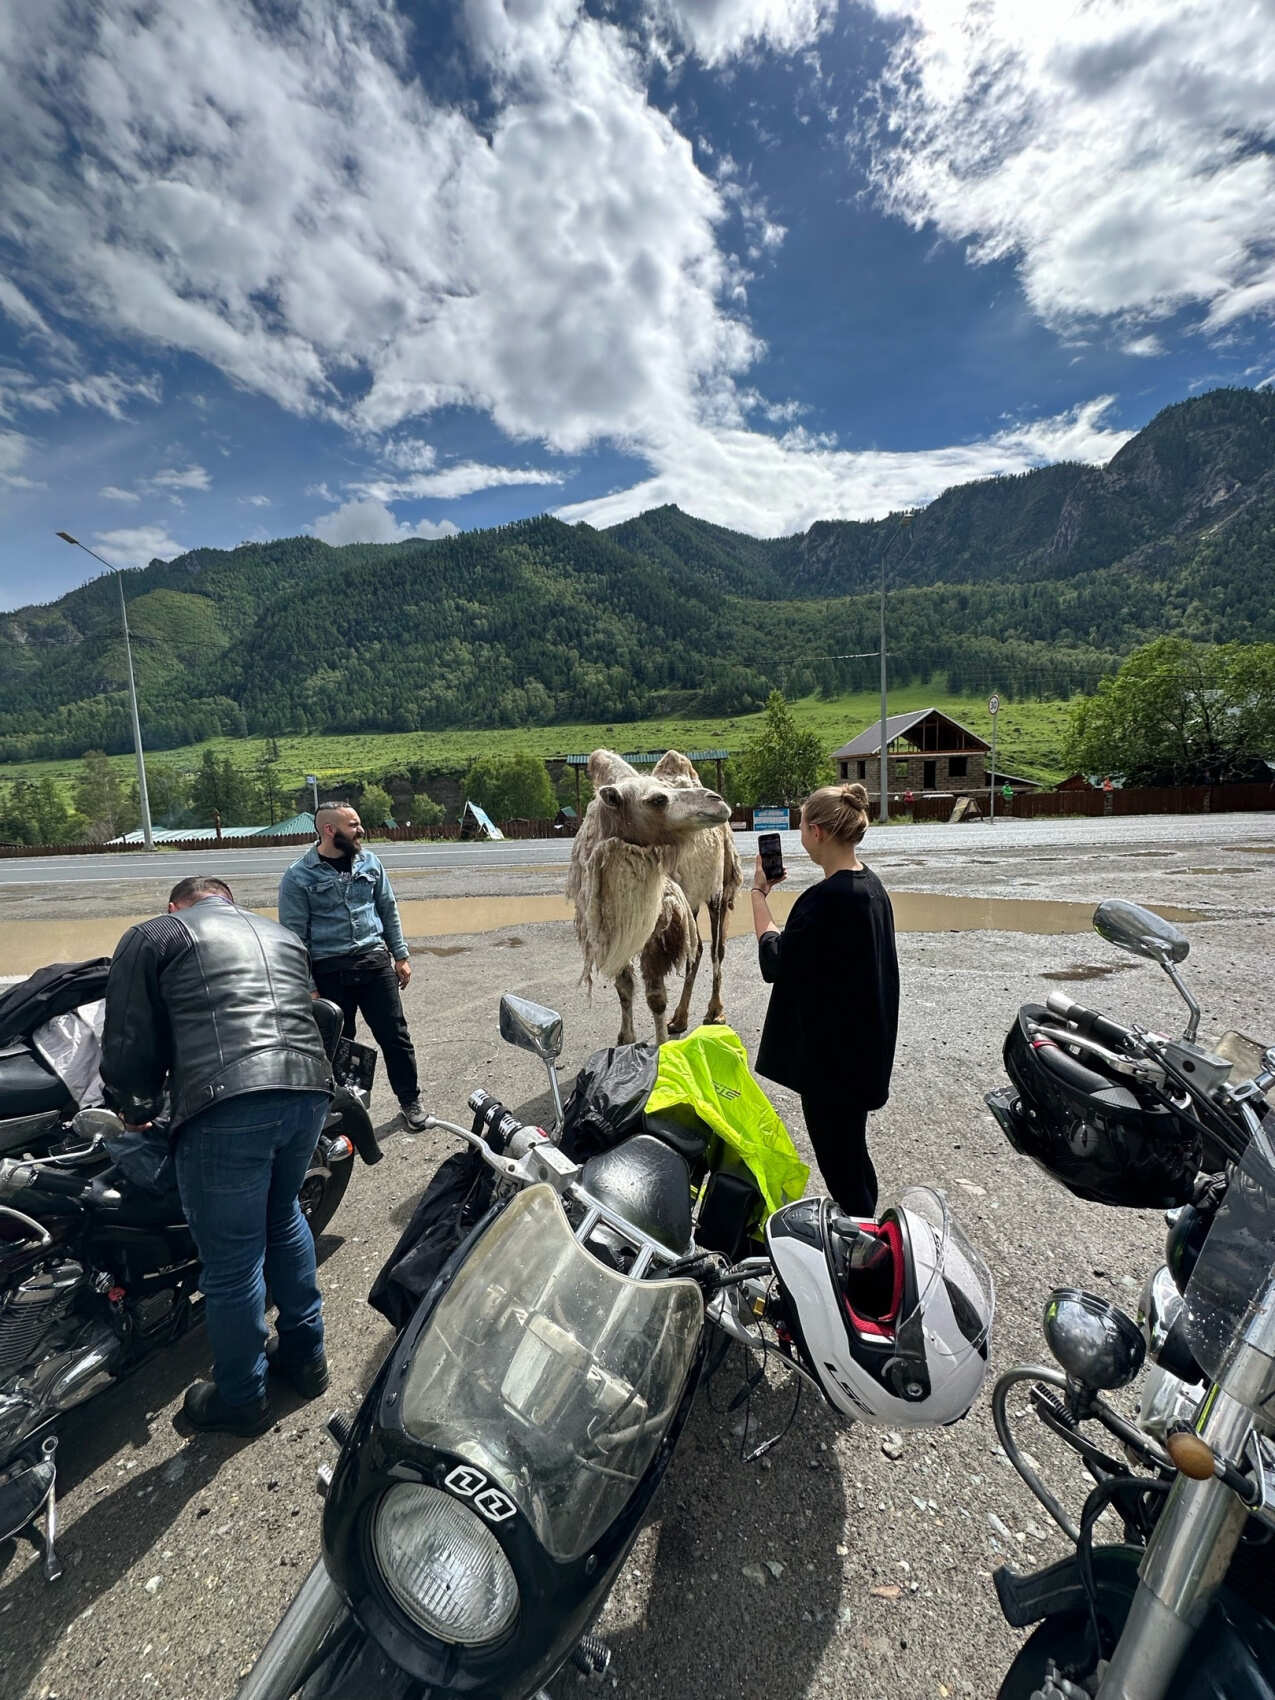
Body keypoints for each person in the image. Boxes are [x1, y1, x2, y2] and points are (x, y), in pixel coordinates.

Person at [100, 876, 333, 1436]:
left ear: (175, 905)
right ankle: (307, 1359)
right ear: (228, 901)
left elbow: (129, 1035)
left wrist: (134, 1107)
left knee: (233, 1261)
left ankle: (242, 1397)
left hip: (229, 1102)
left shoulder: (157, 934)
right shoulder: (281, 936)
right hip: (309, 1089)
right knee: (283, 1215)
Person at [749, 783, 899, 1217]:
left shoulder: (826, 899)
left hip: (832, 1068)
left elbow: (775, 961)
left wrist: (758, 895)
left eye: (801, 826)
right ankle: (867, 1224)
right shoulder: (872, 887)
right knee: (852, 1155)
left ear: (816, 832)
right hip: (863, 1055)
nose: (800, 834)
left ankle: (865, 1241)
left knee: (842, 1167)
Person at [278, 802, 427, 1130]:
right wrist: (308, 986)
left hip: (374, 964)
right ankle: (342, 1113)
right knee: (337, 1046)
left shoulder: (371, 862)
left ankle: (410, 1101)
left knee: (395, 1037)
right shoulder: (298, 876)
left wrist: (400, 956)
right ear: (329, 830)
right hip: (329, 971)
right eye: (353, 825)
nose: (361, 831)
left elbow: (388, 909)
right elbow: (294, 938)